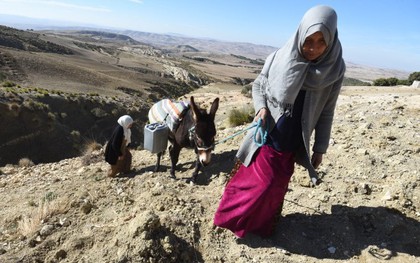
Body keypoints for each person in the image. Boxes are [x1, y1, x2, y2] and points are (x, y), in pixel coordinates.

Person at [214, 5, 346, 238]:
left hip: (294, 141)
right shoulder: (279, 57)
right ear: (300, 34)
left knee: (276, 189)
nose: (313, 48)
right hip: (268, 135)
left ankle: (261, 227)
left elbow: (327, 111)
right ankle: (231, 221)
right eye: (308, 40)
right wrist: (261, 108)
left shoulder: (334, 70)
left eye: (321, 42)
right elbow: (258, 86)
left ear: (331, 40)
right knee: (257, 186)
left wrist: (320, 148)